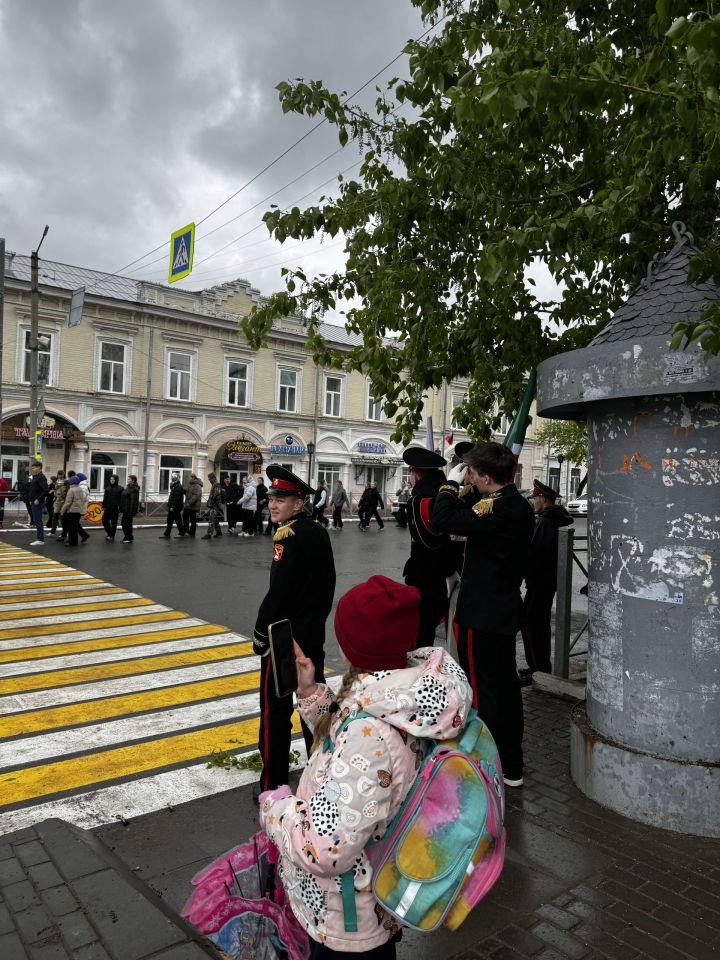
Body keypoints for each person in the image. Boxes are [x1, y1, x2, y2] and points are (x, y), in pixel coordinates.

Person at [258, 575, 473, 959]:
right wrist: (311, 694)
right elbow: (351, 747)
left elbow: (325, 849)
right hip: (372, 892)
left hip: (346, 920)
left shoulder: (371, 732)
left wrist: (276, 809)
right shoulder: (399, 694)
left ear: (349, 644)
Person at [431, 441, 535, 788]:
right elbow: (469, 511)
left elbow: (442, 517)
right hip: (501, 609)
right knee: (505, 686)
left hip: (482, 613)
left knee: (483, 690)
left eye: (473, 472)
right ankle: (512, 764)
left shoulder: (498, 509)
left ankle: (487, 767)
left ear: (487, 477)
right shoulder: (513, 504)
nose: (469, 478)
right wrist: (465, 487)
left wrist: (448, 482)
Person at [252, 465, 335, 798]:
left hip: (286, 641)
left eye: (282, 499)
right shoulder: (317, 531)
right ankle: (324, 776)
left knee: (275, 714)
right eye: (272, 497)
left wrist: (261, 633)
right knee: (314, 711)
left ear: (298, 504)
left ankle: (272, 785)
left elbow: (279, 593)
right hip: (312, 636)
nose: (273, 504)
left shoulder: (287, 536)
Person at [401, 447, 457, 647]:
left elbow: (428, 541)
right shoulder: (445, 496)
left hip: (425, 578)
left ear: (416, 474)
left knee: (418, 637)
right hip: (445, 575)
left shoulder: (420, 500)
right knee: (427, 632)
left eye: (411, 473)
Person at [520, 479, 574, 682]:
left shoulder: (545, 521)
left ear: (542, 498)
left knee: (529, 622)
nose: (533, 500)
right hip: (548, 579)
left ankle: (538, 671)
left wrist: (524, 571)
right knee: (539, 624)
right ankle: (540, 667)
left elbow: (536, 553)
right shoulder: (556, 517)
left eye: (534, 497)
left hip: (540, 580)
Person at [61, 474, 90, 546]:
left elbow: (68, 502)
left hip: (71, 510)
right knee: (75, 526)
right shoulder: (80, 489)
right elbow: (83, 499)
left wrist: (62, 510)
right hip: (78, 510)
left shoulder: (71, 490)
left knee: (72, 527)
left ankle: (72, 542)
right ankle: (80, 538)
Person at [27, 461, 49, 546]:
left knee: (38, 521)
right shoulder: (35, 477)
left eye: (34, 467)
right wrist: (30, 499)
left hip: (38, 503)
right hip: (33, 502)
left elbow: (46, 490)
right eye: (32, 468)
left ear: (39, 467)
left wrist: (38, 500)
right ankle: (39, 538)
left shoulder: (41, 477)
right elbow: (33, 489)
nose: (32, 469)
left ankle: (40, 539)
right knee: (36, 520)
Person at [160, 473, 185, 538]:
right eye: (172, 477)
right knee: (170, 520)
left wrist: (172, 506)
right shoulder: (175, 486)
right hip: (173, 506)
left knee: (177, 520)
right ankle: (167, 533)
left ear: (176, 478)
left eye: (173, 477)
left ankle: (181, 533)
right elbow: (173, 496)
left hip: (175, 507)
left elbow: (176, 497)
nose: (172, 478)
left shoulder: (178, 486)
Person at [102, 474, 124, 542]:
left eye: (113, 479)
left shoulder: (120, 488)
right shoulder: (107, 488)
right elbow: (105, 498)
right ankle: (109, 533)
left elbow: (122, 500)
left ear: (116, 480)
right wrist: (103, 505)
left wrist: (120, 509)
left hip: (115, 508)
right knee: (104, 520)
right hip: (108, 508)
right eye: (111, 479)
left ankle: (112, 536)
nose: (112, 481)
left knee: (114, 523)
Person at [202, 472, 223, 539]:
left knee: (211, 519)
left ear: (213, 478)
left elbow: (216, 495)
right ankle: (219, 532)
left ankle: (209, 534)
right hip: (214, 504)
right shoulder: (214, 484)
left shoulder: (216, 484)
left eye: (210, 478)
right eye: (208, 479)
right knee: (215, 519)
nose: (209, 480)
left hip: (215, 505)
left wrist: (210, 502)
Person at [120, 474, 140, 543]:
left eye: (129, 479)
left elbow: (133, 501)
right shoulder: (128, 488)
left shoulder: (134, 489)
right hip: (125, 509)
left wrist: (131, 511)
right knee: (124, 523)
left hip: (129, 510)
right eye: (128, 479)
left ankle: (129, 538)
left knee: (127, 523)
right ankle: (128, 537)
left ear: (133, 481)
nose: (127, 480)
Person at [183, 473, 203, 538]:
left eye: (190, 477)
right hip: (189, 505)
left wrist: (189, 503)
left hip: (192, 506)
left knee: (192, 520)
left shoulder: (197, 486)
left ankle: (191, 533)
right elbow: (189, 492)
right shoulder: (191, 485)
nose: (189, 478)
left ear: (193, 478)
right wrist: (184, 491)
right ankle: (187, 531)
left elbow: (195, 496)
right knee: (186, 517)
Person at [54, 470, 71, 542]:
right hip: (57, 502)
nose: (60, 476)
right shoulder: (56, 482)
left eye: (61, 474)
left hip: (63, 503)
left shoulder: (66, 482)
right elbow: (55, 492)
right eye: (59, 474)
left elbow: (67, 493)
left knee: (63, 518)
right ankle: (53, 531)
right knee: (55, 517)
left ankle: (64, 533)